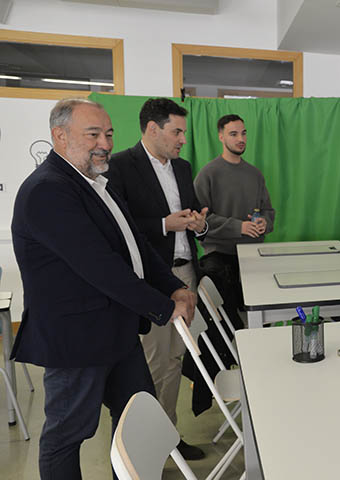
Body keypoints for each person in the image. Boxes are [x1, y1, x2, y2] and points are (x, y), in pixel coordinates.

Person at [10, 98, 195, 478]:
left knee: (136, 425)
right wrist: (162, 306)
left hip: (117, 332)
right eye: (92, 134)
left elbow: (135, 247)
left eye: (108, 134)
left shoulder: (95, 183)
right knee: (67, 435)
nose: (105, 143)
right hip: (77, 340)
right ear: (59, 136)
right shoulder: (48, 190)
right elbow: (101, 267)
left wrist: (174, 286)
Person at [104, 97, 207, 460]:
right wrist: (166, 224)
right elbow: (120, 231)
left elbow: (193, 217)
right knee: (151, 364)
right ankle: (142, 449)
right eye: (176, 131)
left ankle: (169, 437)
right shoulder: (120, 167)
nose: (182, 139)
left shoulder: (182, 168)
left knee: (176, 359)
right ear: (152, 129)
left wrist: (198, 223)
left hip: (186, 274)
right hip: (151, 279)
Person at [194, 113, 275, 327]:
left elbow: (268, 211)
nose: (241, 138)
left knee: (262, 319)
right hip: (219, 258)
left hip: (253, 257)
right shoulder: (208, 174)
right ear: (221, 137)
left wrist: (264, 223)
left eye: (244, 133)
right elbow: (200, 220)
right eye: (233, 134)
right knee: (223, 322)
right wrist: (239, 227)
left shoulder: (255, 174)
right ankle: (229, 359)